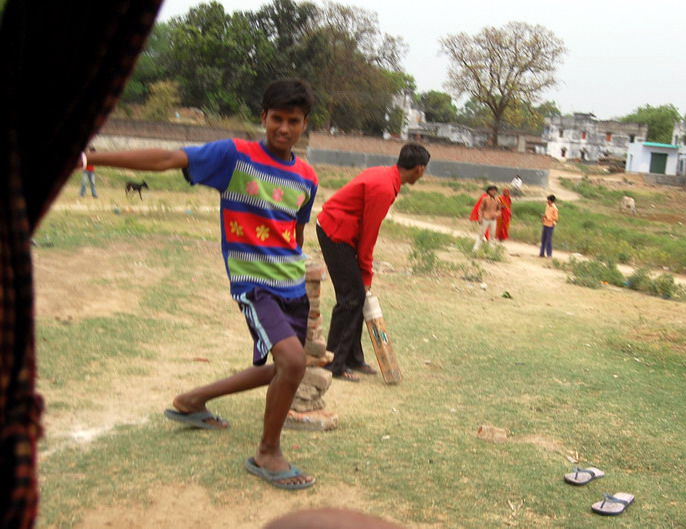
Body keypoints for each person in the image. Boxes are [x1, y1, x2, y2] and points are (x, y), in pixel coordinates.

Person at [81, 79, 318, 490]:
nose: (283, 128)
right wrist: (91, 158)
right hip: (254, 284)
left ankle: (192, 400)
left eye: (292, 121)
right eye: (276, 118)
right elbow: (168, 158)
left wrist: (305, 270)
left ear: (304, 124)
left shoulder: (307, 177)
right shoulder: (234, 156)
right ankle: (267, 452)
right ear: (263, 117)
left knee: (281, 370)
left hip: (293, 288)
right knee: (293, 363)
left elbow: (294, 231)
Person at [316, 143, 430, 382]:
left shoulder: (386, 175)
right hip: (335, 232)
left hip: (339, 230)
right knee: (351, 298)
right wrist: (366, 273)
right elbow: (369, 234)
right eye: (425, 170)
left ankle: (352, 358)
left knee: (356, 296)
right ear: (419, 169)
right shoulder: (384, 188)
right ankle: (332, 363)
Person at [471, 185, 502, 251]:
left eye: (495, 190)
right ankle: (476, 248)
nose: (494, 192)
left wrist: (497, 214)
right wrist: (480, 218)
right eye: (492, 190)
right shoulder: (485, 199)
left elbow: (499, 209)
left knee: (492, 234)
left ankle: (491, 248)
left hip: (493, 219)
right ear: (488, 191)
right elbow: (481, 209)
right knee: (481, 233)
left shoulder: (497, 200)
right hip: (485, 218)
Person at [539, 194, 559, 258]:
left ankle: (549, 254)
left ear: (551, 201)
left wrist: (548, 217)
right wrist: (543, 218)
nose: (547, 201)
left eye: (548, 200)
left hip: (550, 225)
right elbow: (546, 213)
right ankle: (541, 253)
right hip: (545, 224)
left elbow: (556, 218)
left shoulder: (555, 208)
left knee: (549, 240)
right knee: (543, 239)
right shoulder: (547, 206)